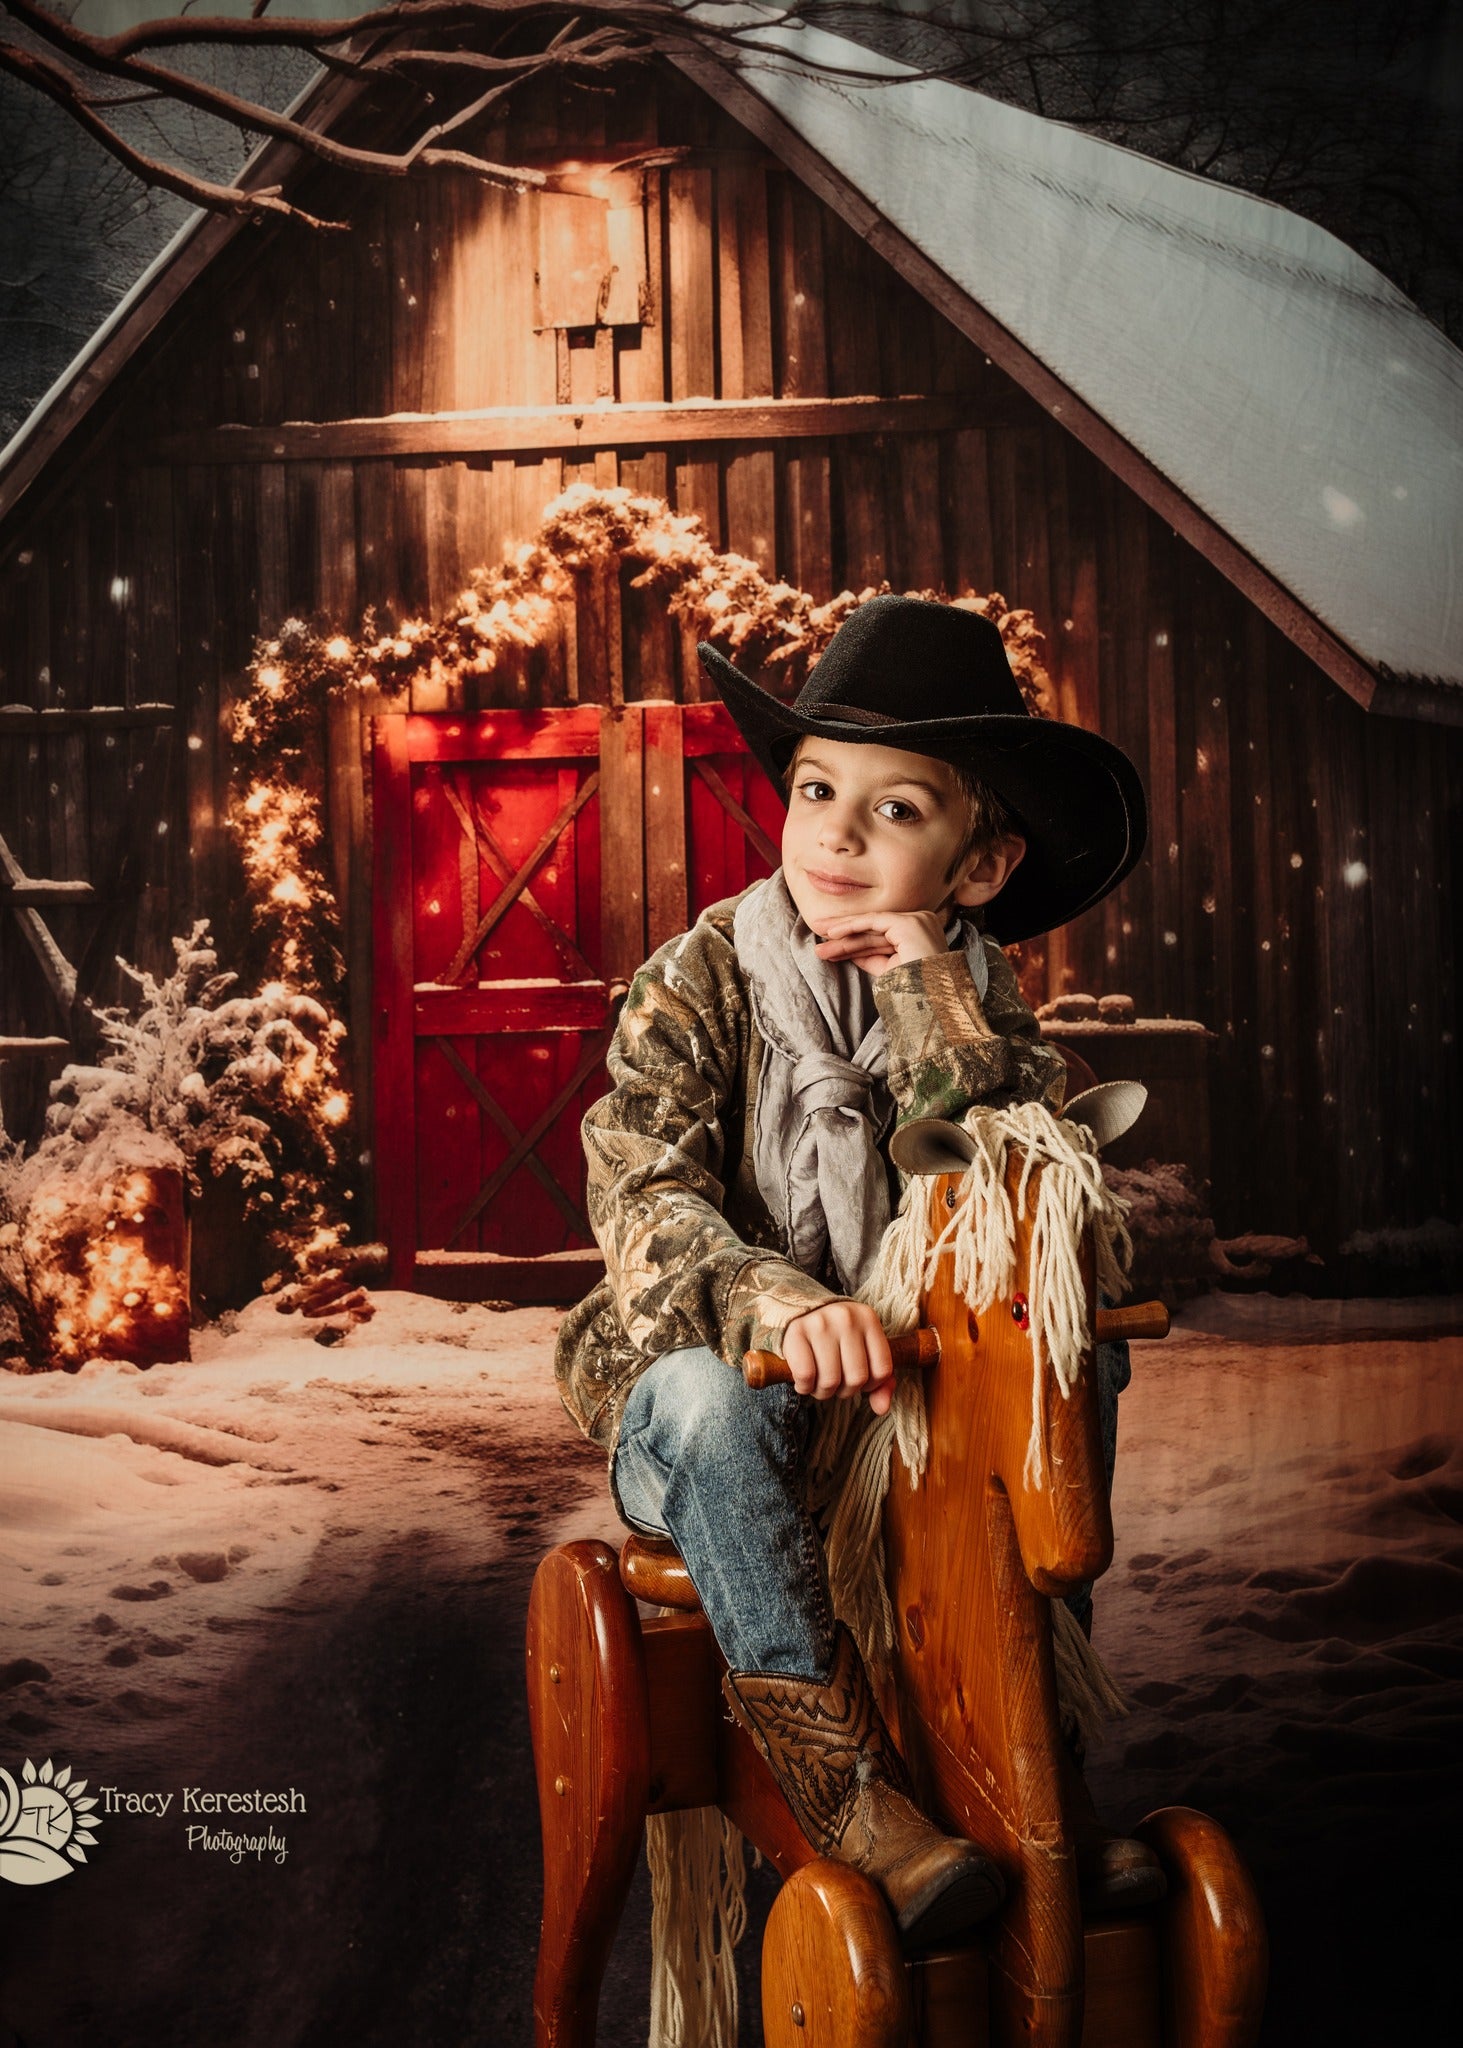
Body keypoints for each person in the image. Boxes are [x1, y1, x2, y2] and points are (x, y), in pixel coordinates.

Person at [554, 594, 1150, 1949]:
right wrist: (784, 1301)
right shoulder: (696, 980)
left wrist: (931, 990)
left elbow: (1015, 1182)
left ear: (982, 865)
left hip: (904, 1410)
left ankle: (1041, 1750)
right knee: (709, 1401)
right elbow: (643, 1192)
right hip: (726, 1403)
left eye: (896, 809)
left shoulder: (982, 997)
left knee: (1076, 1346)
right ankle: (845, 1787)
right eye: (818, 786)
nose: (834, 830)